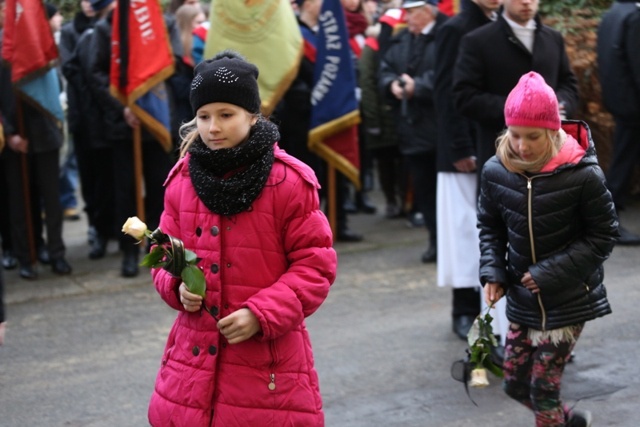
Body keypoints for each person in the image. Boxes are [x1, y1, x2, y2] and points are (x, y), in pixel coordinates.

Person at [147, 50, 337, 426]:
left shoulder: (289, 183)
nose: (213, 127)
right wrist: (175, 284)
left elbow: (315, 266)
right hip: (192, 362)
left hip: (267, 366)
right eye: (203, 117)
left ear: (253, 115)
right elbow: (163, 251)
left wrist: (260, 312)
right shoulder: (182, 180)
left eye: (226, 115)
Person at [478, 72, 617, 427]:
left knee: (543, 389)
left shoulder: (583, 175)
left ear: (554, 131)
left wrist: (547, 273)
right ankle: (567, 421)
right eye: (515, 135)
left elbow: (603, 235)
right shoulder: (496, 171)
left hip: (569, 298)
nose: (522, 146)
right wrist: (493, 271)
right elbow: (490, 227)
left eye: (533, 137)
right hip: (523, 301)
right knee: (513, 384)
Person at [88, 0, 174, 277]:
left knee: (161, 190)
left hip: (156, 120)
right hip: (123, 125)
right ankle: (130, 251)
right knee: (126, 192)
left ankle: (161, 249)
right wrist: (124, 108)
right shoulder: (105, 27)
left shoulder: (157, 21)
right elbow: (96, 73)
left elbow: (170, 68)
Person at [433, 0, 501, 340]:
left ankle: (496, 311)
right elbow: (446, 93)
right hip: (463, 149)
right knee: (462, 233)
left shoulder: (505, 25)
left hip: (496, 145)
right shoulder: (453, 29)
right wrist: (459, 146)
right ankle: (463, 308)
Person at [379, 0, 447, 262]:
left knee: (445, 194)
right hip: (412, 131)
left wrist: (417, 86)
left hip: (440, 131)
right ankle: (434, 241)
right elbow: (385, 70)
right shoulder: (401, 41)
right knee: (424, 191)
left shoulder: (444, 38)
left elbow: (446, 77)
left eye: (411, 12)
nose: (406, 17)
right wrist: (391, 86)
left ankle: (447, 242)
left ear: (427, 11)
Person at [596, 0, 640, 246]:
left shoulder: (614, 13)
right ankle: (608, 220)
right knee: (623, 164)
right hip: (633, 105)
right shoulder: (634, 17)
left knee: (624, 159)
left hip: (619, 100)